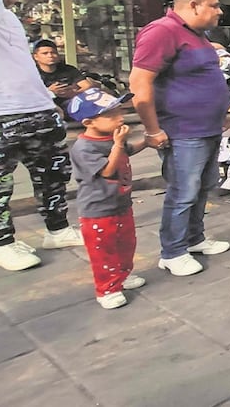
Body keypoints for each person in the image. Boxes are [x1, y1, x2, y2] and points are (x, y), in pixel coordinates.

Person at [129, 0, 230, 277]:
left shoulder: (197, 35)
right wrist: (151, 130)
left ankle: (194, 238)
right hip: (182, 130)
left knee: (202, 187)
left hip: (207, 128)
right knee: (183, 192)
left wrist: (220, 114)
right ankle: (172, 252)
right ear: (193, 5)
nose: (220, 11)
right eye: (214, 5)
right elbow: (139, 83)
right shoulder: (161, 31)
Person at [0, 0, 83, 271]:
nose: (12, 0)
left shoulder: (9, 19)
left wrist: (46, 100)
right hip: (1, 115)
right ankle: (2, 243)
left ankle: (58, 228)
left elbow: (19, 66)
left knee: (54, 175)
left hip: (37, 109)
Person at [67, 88, 147, 309]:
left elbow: (129, 150)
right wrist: (119, 143)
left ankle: (122, 275)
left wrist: (147, 142)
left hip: (121, 204)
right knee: (104, 252)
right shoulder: (84, 148)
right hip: (97, 211)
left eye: (119, 111)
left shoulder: (109, 138)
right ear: (88, 122)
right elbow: (107, 171)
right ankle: (107, 289)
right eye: (110, 115)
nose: (119, 118)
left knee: (126, 244)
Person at [32, 39, 91, 110]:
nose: (50, 56)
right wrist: (49, 92)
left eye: (53, 52)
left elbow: (87, 86)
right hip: (44, 106)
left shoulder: (69, 69)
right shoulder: (30, 73)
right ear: (36, 57)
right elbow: (26, 96)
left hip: (71, 103)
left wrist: (74, 93)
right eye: (45, 53)